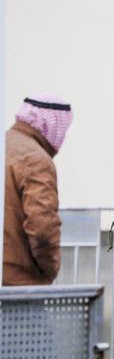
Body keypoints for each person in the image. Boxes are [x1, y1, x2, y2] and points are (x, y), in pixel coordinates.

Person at [3, 94, 73, 286]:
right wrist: (50, 269)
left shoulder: (5, 145)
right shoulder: (36, 160)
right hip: (17, 283)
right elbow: (42, 228)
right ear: (51, 124)